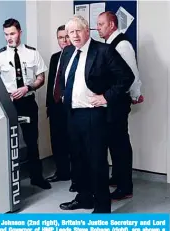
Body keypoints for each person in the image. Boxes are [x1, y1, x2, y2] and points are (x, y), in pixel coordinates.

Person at [58, 15, 135, 213]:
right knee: (78, 160)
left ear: (87, 31)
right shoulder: (67, 52)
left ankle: (102, 207)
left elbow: (127, 77)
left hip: (93, 115)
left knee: (96, 162)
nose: (74, 35)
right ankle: (84, 198)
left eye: (78, 31)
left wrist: (106, 97)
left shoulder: (104, 51)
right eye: (70, 32)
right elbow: (65, 81)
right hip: (72, 114)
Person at [0, 18, 51, 190]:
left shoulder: (32, 53)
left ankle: (36, 177)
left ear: (20, 32)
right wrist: (5, 95)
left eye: (12, 33)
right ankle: (6, 181)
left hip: (27, 101)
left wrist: (27, 88)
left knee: (32, 140)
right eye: (6, 34)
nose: (9, 38)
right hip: (8, 103)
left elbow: (41, 78)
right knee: (6, 141)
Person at [97, 11, 143, 200]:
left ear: (112, 25)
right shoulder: (108, 44)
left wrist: (136, 94)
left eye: (101, 24)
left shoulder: (122, 45)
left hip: (118, 101)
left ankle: (126, 187)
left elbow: (131, 74)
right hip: (110, 101)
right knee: (114, 143)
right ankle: (116, 177)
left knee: (120, 144)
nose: (98, 28)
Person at [45, 25, 77, 192]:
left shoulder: (76, 55)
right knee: (57, 141)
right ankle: (62, 172)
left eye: (66, 37)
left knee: (74, 143)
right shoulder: (54, 57)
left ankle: (77, 177)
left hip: (70, 107)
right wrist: (48, 105)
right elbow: (51, 82)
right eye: (60, 37)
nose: (63, 40)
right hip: (56, 106)